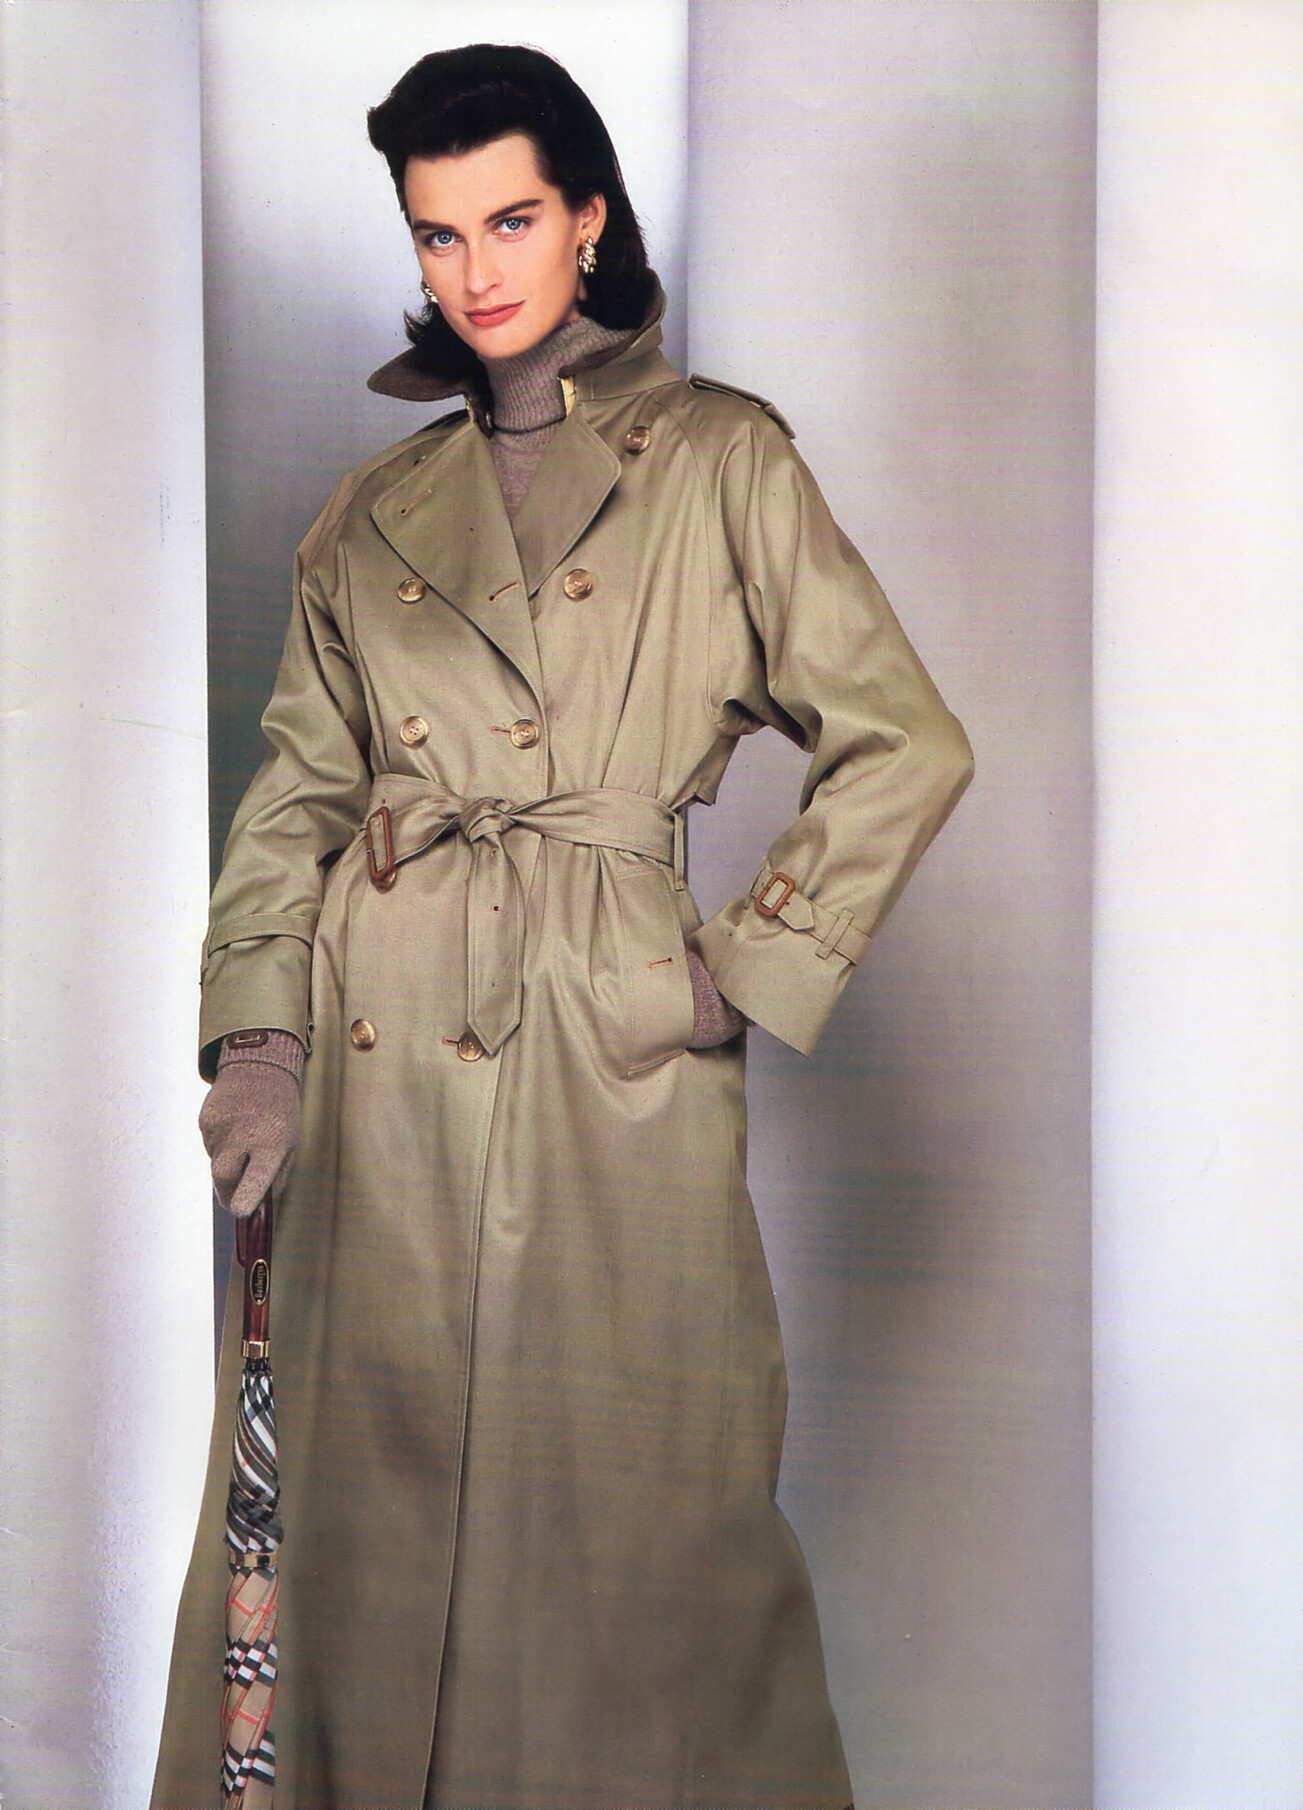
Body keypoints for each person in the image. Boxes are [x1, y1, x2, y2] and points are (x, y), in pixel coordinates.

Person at [151, 42, 973, 1810]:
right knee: (364, 1542)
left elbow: (905, 740)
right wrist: (265, 1042)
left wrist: (729, 972)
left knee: (642, 1539)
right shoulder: (370, 516)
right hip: (379, 1083)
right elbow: (296, 798)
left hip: (610, 1058)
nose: (477, 269)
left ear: (590, 215)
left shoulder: (722, 461)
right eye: (438, 234)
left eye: (511, 219)